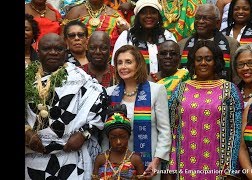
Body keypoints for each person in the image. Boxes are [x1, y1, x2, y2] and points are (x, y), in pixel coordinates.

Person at [25, 33, 110, 180]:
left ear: (66, 52)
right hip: (32, 157)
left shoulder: (81, 78)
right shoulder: (27, 76)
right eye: (47, 49)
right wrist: (26, 131)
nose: (53, 52)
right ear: (38, 53)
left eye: (58, 49)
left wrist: (84, 134)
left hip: (70, 155)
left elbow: (100, 102)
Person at [168, 40, 243, 179]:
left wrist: (230, 170)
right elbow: (172, 130)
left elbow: (235, 133)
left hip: (218, 169)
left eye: (208, 59)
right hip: (185, 166)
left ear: (216, 62)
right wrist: (171, 168)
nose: (203, 63)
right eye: (199, 59)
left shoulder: (229, 90)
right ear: (192, 62)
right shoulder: (180, 89)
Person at [102, 45, 172, 180]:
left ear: (138, 64)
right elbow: (105, 135)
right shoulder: (110, 93)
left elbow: (164, 131)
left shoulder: (156, 90)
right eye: (119, 62)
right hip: (115, 166)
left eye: (128, 62)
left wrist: (156, 161)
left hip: (148, 165)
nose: (123, 67)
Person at [178, 3, 240, 82]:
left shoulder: (231, 44)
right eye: (198, 18)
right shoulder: (182, 44)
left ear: (217, 23)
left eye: (206, 18)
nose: (200, 21)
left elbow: (237, 77)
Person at [111, 0, 177, 74]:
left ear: (158, 16)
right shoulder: (126, 37)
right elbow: (115, 66)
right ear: (138, 16)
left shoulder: (167, 36)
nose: (148, 16)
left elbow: (176, 64)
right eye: (144, 13)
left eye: (153, 12)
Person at [92, 104, 145, 179]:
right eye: (113, 137)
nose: (118, 142)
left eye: (123, 137)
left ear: (129, 136)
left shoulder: (135, 160)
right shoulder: (101, 159)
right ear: (108, 138)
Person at [62, 0, 130, 49]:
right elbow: (62, 37)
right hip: (77, 58)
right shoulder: (75, 12)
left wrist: (125, 29)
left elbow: (126, 38)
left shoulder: (115, 15)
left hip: (106, 58)